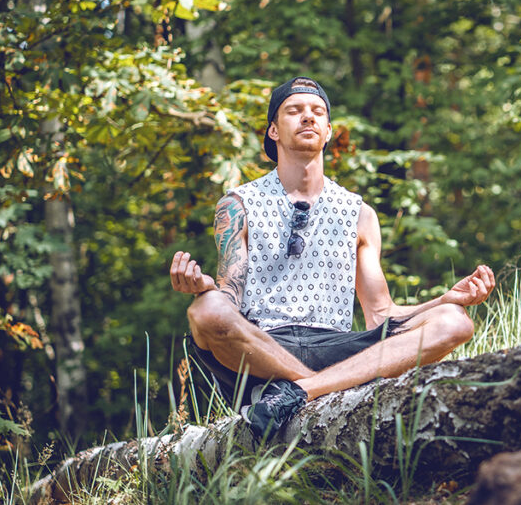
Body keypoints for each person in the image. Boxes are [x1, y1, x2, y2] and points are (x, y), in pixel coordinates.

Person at [169, 76, 495, 439]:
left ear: (327, 131)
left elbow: (380, 314)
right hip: (261, 347)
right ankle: (319, 387)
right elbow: (231, 295)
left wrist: (445, 299)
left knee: (455, 322)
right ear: (274, 131)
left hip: (336, 346)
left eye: (317, 112)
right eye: (294, 111)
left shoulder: (360, 213)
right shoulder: (238, 204)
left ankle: (295, 394)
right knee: (205, 311)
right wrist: (207, 288)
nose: (307, 117)